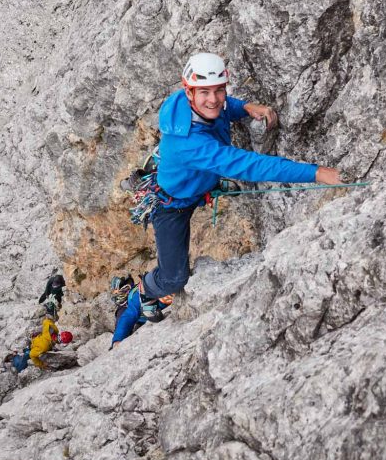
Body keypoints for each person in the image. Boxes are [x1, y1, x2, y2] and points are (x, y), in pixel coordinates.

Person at [138, 53, 342, 320]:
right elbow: (250, 165)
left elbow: (222, 108)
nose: (213, 99)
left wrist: (245, 107)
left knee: (211, 147)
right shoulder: (189, 144)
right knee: (175, 278)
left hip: (193, 181)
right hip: (171, 205)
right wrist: (317, 173)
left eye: (219, 90)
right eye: (204, 92)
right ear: (188, 92)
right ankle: (144, 290)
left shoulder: (191, 104)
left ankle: (200, 181)